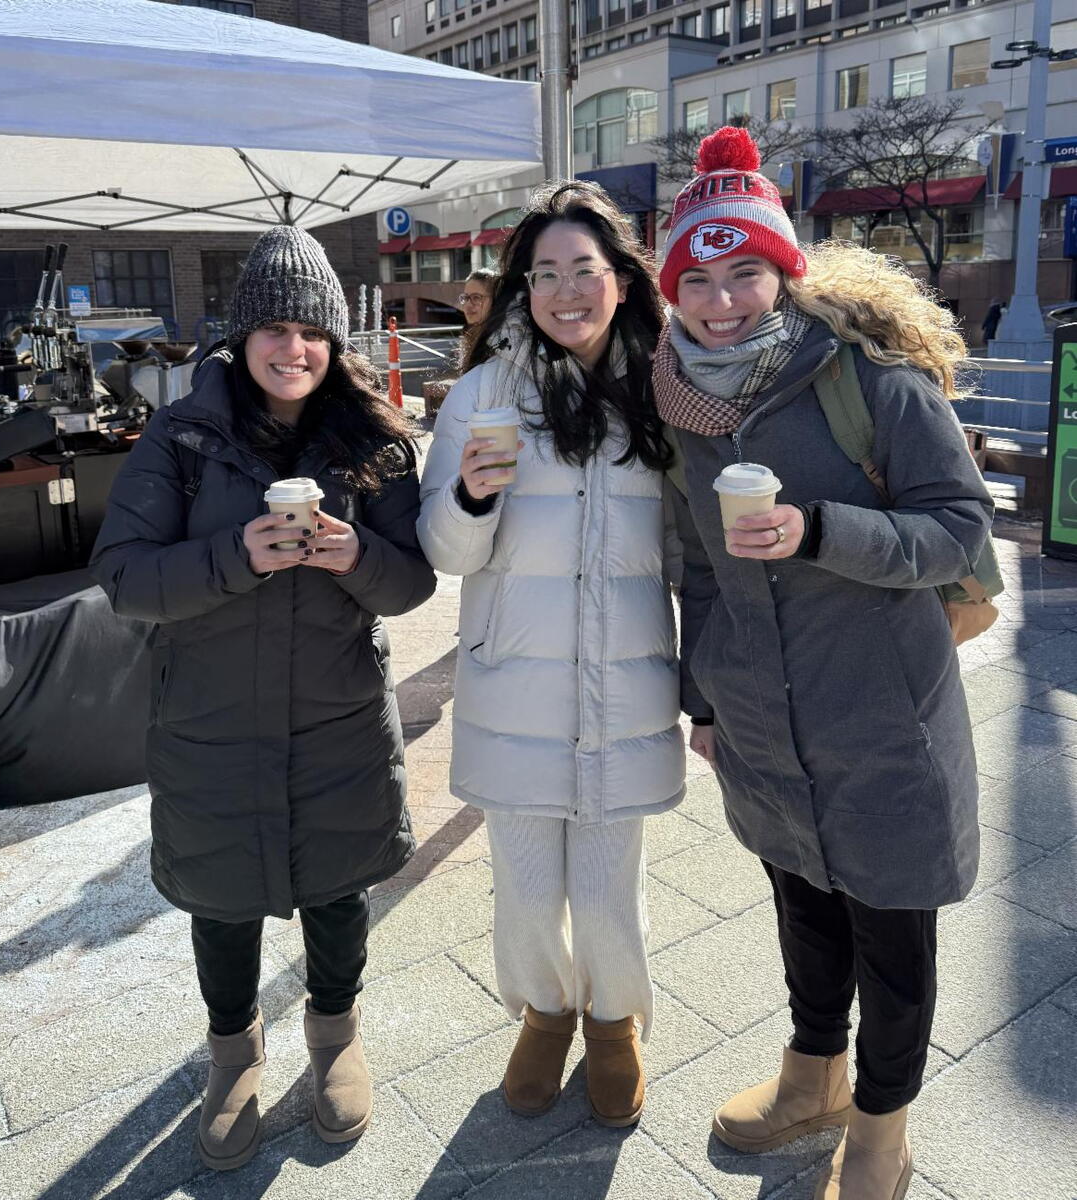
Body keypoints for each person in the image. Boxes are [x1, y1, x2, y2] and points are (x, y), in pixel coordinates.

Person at [654, 127, 994, 1200]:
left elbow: (958, 534)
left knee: (891, 937)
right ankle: (813, 1076)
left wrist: (818, 531)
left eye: (743, 271)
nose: (720, 302)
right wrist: (699, 702)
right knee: (802, 905)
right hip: (761, 721)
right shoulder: (680, 407)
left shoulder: (871, 384)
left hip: (881, 715)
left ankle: (882, 1129)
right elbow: (697, 573)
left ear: (782, 271)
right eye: (696, 281)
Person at [91, 226, 436, 1171]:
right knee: (223, 898)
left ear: (336, 344)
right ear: (242, 339)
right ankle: (231, 1055)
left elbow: (412, 586)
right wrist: (236, 556)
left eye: (314, 333)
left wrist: (356, 554)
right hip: (210, 721)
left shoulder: (372, 439)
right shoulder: (184, 436)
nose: (295, 350)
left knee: (335, 890)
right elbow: (123, 578)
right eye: (276, 330)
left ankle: (334, 1037)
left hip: (337, 721)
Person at [416, 181, 683, 1128]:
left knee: (609, 892)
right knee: (527, 887)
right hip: (512, 683)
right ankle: (543, 1013)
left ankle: (614, 1025)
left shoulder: (666, 388)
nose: (565, 290)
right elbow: (442, 552)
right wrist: (472, 500)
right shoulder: (485, 392)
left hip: (628, 683)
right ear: (523, 288)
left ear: (620, 281)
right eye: (545, 275)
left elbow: (691, 546)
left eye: (585, 270)